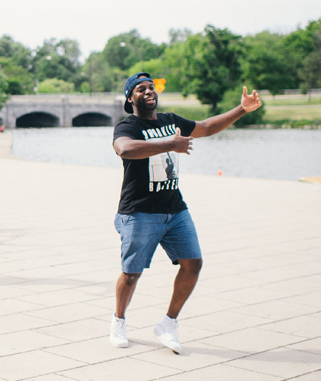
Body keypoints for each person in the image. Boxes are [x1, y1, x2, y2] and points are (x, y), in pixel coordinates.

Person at [109, 72, 262, 353]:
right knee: (131, 274)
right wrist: (170, 144)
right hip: (140, 211)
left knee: (193, 264)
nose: (148, 92)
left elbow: (205, 127)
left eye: (151, 87)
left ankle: (168, 323)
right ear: (130, 98)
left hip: (175, 210)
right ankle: (118, 320)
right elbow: (125, 149)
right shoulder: (127, 125)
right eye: (140, 89)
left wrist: (242, 109)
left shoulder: (171, 121)